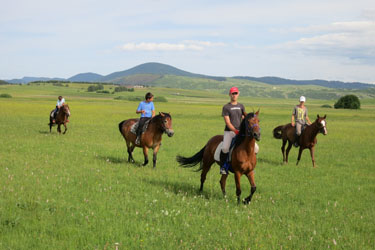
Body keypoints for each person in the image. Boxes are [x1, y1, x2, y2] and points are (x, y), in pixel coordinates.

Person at [220, 87, 246, 174]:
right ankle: (223, 167)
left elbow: (244, 118)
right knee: (225, 148)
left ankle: (250, 166)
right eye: (232, 93)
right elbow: (227, 122)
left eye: (236, 93)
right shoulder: (226, 107)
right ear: (229, 94)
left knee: (255, 147)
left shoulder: (241, 106)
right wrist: (235, 131)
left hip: (240, 132)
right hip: (230, 132)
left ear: (238, 94)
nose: (234, 95)